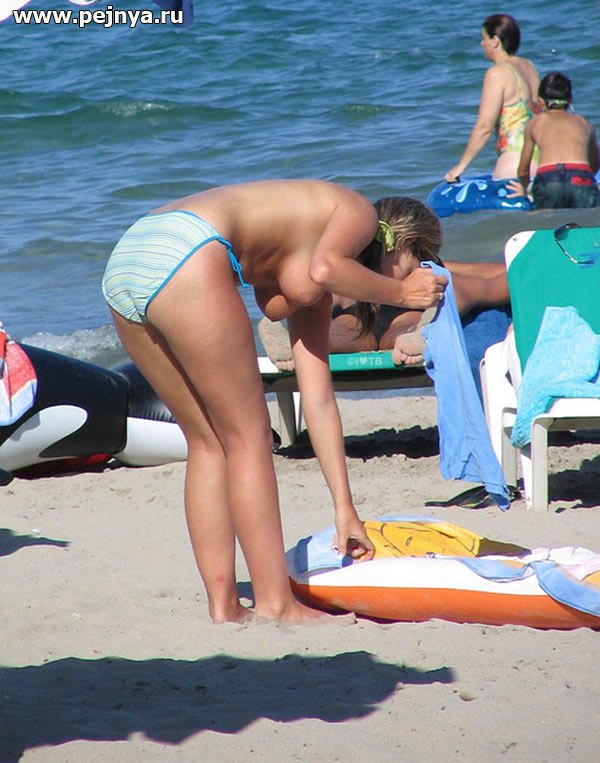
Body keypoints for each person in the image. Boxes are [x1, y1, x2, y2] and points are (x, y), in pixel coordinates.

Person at [101, 179, 447, 625]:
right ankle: (276, 604)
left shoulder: (309, 251)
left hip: (131, 254)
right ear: (406, 244)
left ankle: (225, 607)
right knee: (250, 440)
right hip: (188, 248)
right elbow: (326, 269)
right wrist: (402, 294)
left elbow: (318, 400)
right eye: (419, 267)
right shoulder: (358, 212)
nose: (416, 282)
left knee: (208, 443)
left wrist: (344, 508)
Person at [260, 197, 509, 371]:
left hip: (362, 323)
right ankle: (423, 332)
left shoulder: (362, 271)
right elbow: (504, 275)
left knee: (347, 327)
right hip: (390, 324)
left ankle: (299, 340)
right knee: (442, 295)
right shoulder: (431, 274)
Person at [444, 14, 540, 183]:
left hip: (515, 163)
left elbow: (484, 128)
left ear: (495, 41)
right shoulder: (529, 67)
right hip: (541, 159)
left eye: (484, 38)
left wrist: (460, 167)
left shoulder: (497, 73)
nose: (482, 44)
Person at [508, 72, 600, 208]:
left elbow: (523, 171)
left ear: (540, 102)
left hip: (548, 178)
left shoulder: (534, 123)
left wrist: (527, 190)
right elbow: (594, 165)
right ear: (570, 100)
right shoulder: (585, 124)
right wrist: (584, 181)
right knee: (587, 219)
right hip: (581, 177)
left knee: (547, 219)